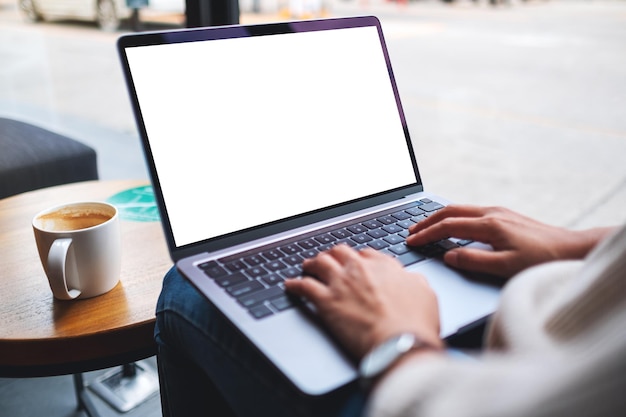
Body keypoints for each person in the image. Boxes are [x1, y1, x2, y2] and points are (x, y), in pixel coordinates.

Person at [155, 205, 625, 417]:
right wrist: (585, 245)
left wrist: (400, 341)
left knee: (185, 291)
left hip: (460, 392)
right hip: (557, 321)